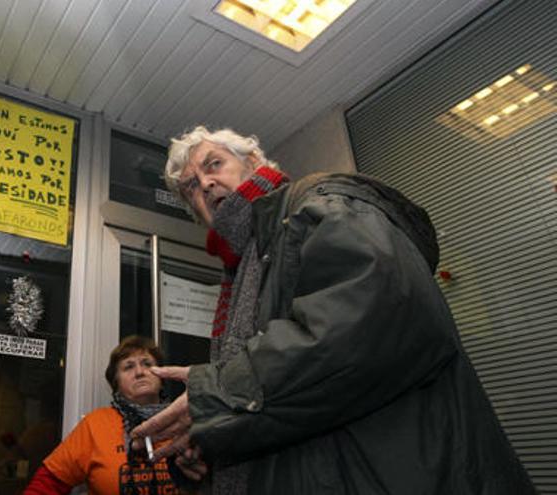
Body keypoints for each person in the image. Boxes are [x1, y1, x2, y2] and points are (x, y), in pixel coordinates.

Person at [131, 126, 535, 494]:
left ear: (254, 162)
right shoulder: (239, 271)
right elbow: (279, 410)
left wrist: (218, 395)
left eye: (214, 164)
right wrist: (206, 452)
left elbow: (372, 322)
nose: (205, 184)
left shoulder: (322, 201)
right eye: (190, 188)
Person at [24, 336, 182, 495]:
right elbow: (46, 485)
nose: (140, 372)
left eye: (147, 364)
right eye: (128, 367)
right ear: (116, 384)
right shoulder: (96, 425)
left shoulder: (184, 419)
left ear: (162, 376)